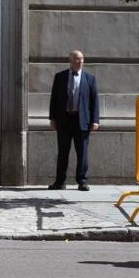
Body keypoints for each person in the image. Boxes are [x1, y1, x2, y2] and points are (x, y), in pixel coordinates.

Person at [48, 50, 99, 191]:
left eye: (82, 59)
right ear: (70, 60)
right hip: (64, 120)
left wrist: (95, 120)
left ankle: (82, 181)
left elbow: (95, 101)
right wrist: (52, 118)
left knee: (82, 152)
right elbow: (54, 99)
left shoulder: (90, 79)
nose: (80, 61)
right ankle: (60, 181)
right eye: (77, 59)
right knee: (63, 152)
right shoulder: (60, 77)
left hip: (82, 120)